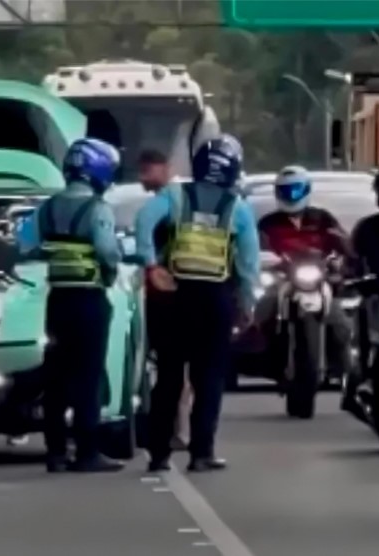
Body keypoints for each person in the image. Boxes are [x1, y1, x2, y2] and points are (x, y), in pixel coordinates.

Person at [135, 134, 260, 473]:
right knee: (209, 380)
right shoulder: (238, 209)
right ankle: (201, 453)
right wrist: (247, 304)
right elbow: (249, 264)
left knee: (169, 376)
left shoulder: (175, 196)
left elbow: (143, 222)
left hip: (173, 297)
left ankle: (158, 453)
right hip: (214, 301)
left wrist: (151, 265)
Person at [17, 137, 124, 473]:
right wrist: (111, 270)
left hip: (57, 301)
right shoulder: (97, 209)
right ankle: (87, 452)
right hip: (89, 301)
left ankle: (56, 452)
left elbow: (24, 247)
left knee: (56, 376)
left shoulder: (47, 208)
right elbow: (107, 251)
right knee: (87, 377)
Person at [256, 165, 353, 387]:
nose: (291, 196)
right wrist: (267, 263)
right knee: (263, 311)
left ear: (307, 190)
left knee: (341, 323)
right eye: (286, 191)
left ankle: (344, 367)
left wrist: (342, 261)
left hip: (318, 280)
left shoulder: (323, 219)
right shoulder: (267, 224)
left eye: (296, 191)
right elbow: (256, 251)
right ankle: (269, 358)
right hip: (281, 280)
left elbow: (343, 244)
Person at [137, 149, 192, 451]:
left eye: (148, 171)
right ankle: (183, 431)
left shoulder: (163, 202)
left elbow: (144, 233)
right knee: (184, 367)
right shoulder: (188, 199)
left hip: (166, 291)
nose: (143, 178)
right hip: (193, 290)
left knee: (168, 367)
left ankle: (171, 432)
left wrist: (149, 266)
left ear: (166, 169)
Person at [347, 167, 379, 410]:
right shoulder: (368, 228)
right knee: (364, 314)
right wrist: (354, 276)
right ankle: (363, 377)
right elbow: (352, 260)